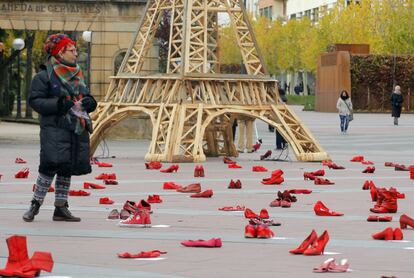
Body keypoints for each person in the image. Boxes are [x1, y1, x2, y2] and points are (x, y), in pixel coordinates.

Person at [23, 34, 97, 222]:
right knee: (49, 165)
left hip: (76, 128)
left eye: (75, 49)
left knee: (67, 166)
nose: (75, 53)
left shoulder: (78, 73)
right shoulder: (44, 76)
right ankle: (35, 205)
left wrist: (90, 102)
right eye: (71, 50)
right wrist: (59, 104)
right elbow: (35, 101)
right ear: (60, 52)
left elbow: (84, 95)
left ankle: (61, 208)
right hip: (55, 127)